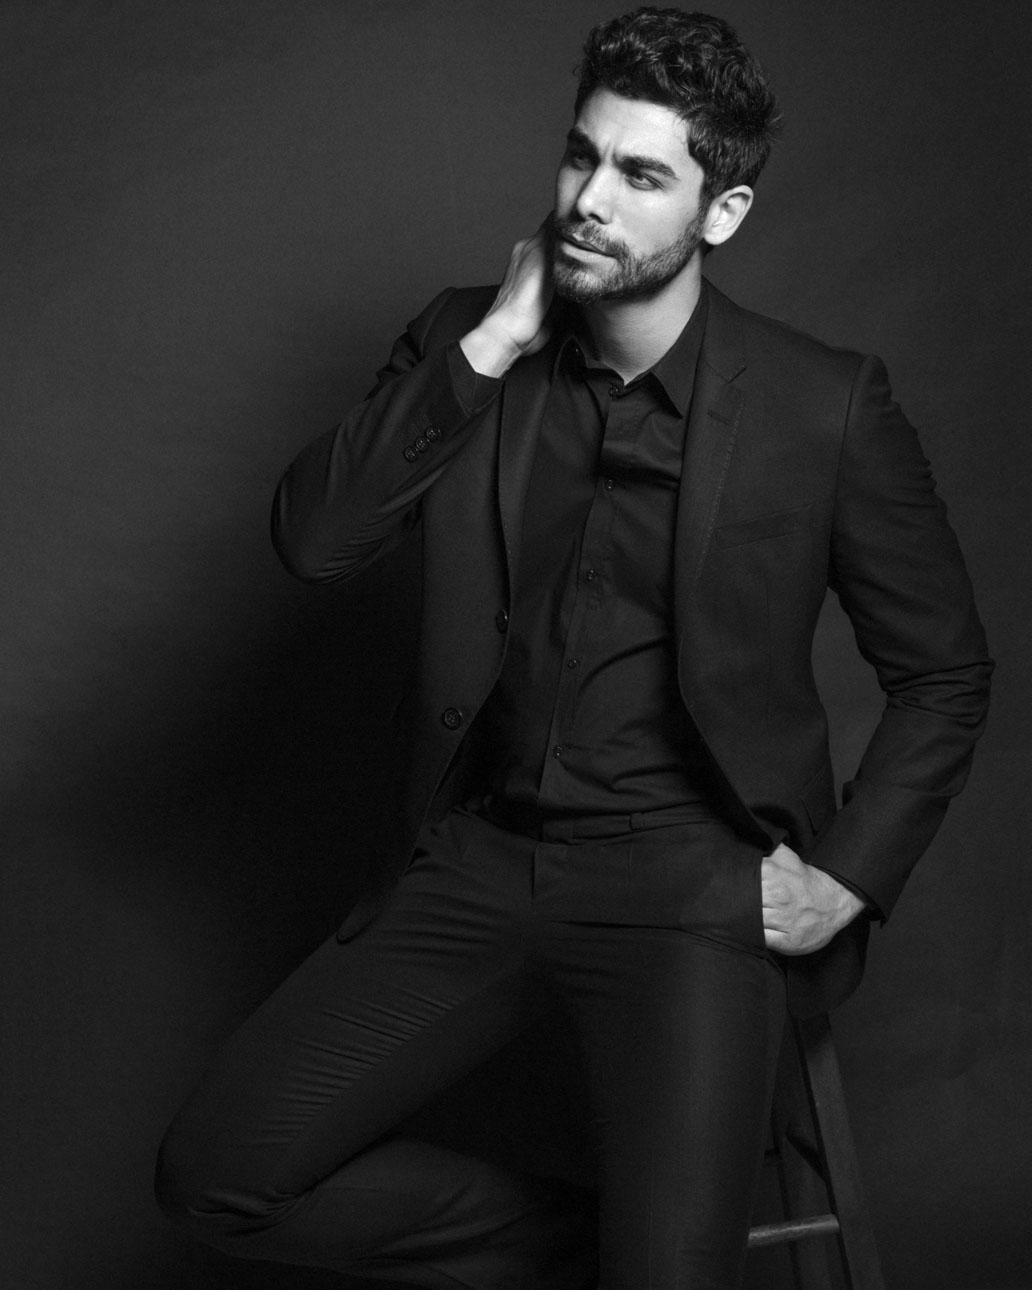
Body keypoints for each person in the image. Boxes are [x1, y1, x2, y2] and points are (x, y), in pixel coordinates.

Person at [155, 8, 992, 1288]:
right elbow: (315, 543)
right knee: (218, 1180)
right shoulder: (467, 341)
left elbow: (944, 674)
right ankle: (604, 1247)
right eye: (580, 156)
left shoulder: (824, 405)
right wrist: (495, 340)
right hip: (481, 857)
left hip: (695, 885)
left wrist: (847, 876)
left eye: (641, 175)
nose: (590, 200)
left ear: (722, 213)